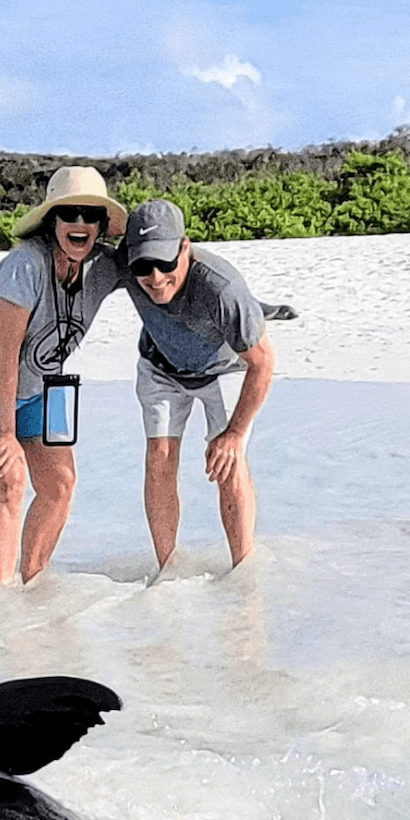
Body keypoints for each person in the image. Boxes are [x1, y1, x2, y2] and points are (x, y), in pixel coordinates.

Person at [0, 167, 126, 588]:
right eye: (70, 213)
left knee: (61, 483)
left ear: (100, 227)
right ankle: (1, 596)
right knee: (9, 480)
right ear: (52, 221)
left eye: (90, 216)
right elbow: (7, 356)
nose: (80, 224)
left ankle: (32, 581)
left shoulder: (105, 267)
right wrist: (5, 433)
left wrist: (239, 302)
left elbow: (168, 265)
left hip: (41, 390)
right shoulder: (25, 264)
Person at [120, 199, 291, 571]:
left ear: (185, 247)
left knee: (228, 461)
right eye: (142, 266)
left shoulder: (221, 287)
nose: (154, 277)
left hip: (224, 369)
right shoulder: (128, 265)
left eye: (165, 263)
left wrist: (234, 434)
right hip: (160, 366)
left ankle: (243, 569)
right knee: (159, 459)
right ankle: (166, 567)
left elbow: (262, 363)